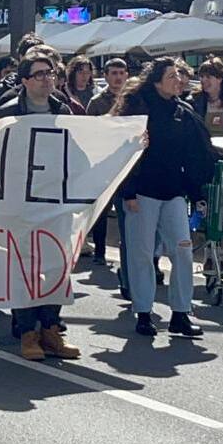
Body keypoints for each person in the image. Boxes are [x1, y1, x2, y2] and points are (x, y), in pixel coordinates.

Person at [0, 52, 87, 358]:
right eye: (39, 74)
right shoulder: (8, 112)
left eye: (51, 73)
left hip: (54, 204)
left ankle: (51, 329)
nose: (47, 79)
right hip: (21, 206)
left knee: (57, 267)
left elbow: (80, 154)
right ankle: (28, 333)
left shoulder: (64, 111)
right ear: (24, 81)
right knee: (26, 270)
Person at [116, 57, 214, 339]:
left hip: (173, 193)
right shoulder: (138, 109)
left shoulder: (183, 111)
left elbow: (196, 154)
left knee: (182, 251)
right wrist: (128, 192)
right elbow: (124, 153)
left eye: (180, 75)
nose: (178, 80)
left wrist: (196, 192)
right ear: (157, 81)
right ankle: (144, 312)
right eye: (172, 76)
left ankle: (181, 313)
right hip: (142, 193)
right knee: (142, 255)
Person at [86, 59, 130, 279]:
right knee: (102, 210)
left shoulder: (132, 99)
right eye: (114, 73)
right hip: (104, 162)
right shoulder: (97, 102)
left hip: (128, 163)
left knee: (126, 211)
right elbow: (89, 132)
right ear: (106, 76)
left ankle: (127, 253)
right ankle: (100, 251)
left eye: (122, 73)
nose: (118, 77)